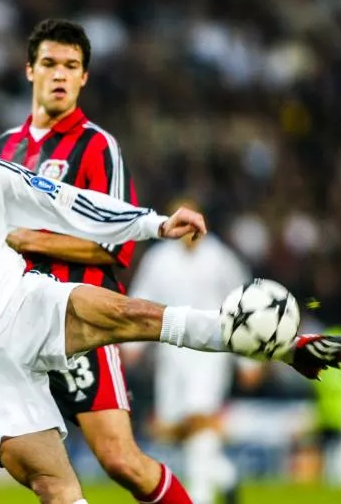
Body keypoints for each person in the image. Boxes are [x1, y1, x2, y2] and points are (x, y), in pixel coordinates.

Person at [0, 115, 341, 504]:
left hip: (25, 303)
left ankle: (281, 344)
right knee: (57, 487)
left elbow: (68, 201)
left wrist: (152, 224)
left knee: (133, 314)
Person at [0, 18, 184, 504]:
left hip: (76, 318)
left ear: (84, 77)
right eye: (50, 63)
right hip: (2, 323)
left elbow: (115, 246)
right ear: (30, 70)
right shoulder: (1, 150)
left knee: (121, 461)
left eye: (72, 65)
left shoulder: (97, 146)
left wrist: (29, 239)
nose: (60, 74)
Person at [127, 198, 262, 504]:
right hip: (171, 356)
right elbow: (142, 299)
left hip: (210, 355)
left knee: (200, 418)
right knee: (172, 429)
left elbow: (244, 305)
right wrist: (132, 346)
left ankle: (200, 497)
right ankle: (225, 475)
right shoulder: (159, 259)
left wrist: (248, 362)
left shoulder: (221, 258)